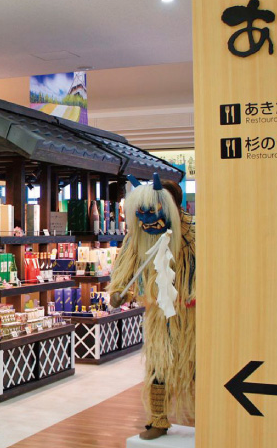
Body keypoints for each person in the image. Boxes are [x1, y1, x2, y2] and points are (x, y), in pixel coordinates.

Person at [108, 173, 196, 441]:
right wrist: (119, 291)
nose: (147, 219)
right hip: (160, 314)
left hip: (194, 314)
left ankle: (213, 417)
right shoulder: (140, 233)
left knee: (197, 366)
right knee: (158, 367)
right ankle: (158, 419)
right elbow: (128, 263)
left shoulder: (194, 230)